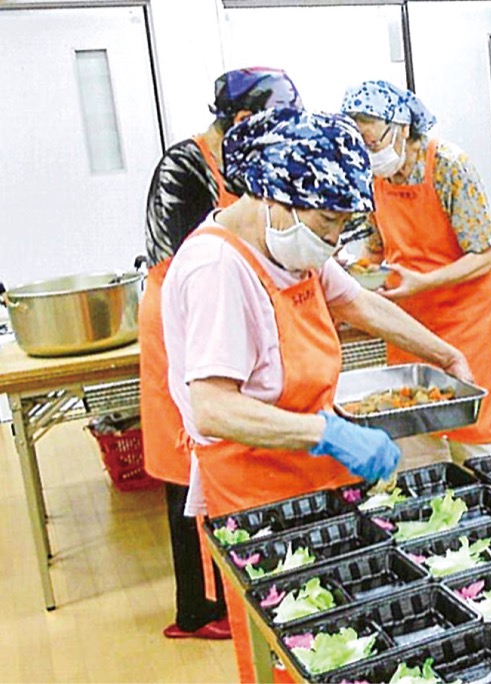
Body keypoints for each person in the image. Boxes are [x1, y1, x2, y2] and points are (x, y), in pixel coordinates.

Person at [160, 107, 473, 680]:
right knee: (291, 650)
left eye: (341, 224)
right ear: (273, 197)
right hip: (257, 490)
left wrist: (441, 352)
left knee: (341, 644)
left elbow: (357, 301)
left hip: (314, 471)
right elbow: (213, 405)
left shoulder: (292, 248)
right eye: (326, 221)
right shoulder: (217, 270)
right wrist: (327, 432)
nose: (332, 240)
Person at [140, 67, 301, 641]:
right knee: (194, 458)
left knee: (219, 453)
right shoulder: (185, 167)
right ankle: (201, 607)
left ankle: (229, 593)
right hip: (181, 317)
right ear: (240, 120)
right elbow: (191, 257)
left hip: (228, 304)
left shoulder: (247, 163)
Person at [340, 81, 491, 466]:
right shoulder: (373, 179)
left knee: (478, 437)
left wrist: (424, 281)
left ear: (401, 128)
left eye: (371, 143)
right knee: (413, 431)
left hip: (464, 323)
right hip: (406, 324)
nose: (368, 155)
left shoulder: (449, 167)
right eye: (360, 147)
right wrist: (359, 272)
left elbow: (484, 255)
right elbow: (375, 247)